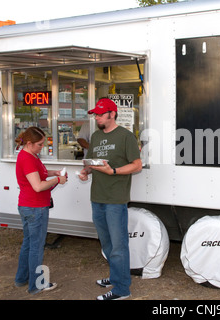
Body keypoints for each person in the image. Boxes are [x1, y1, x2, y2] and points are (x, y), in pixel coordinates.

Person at [78, 98, 141, 300]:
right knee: (107, 243)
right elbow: (94, 162)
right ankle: (115, 276)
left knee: (119, 245)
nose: (96, 117)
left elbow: (137, 165)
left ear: (112, 114)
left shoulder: (126, 136)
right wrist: (86, 171)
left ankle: (122, 289)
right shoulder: (96, 136)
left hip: (115, 199)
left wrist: (113, 171)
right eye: (95, 114)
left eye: (100, 114)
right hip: (97, 197)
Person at [14, 127, 67, 294]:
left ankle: (22, 278)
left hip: (27, 205)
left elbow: (38, 174)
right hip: (35, 207)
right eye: (40, 144)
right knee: (36, 246)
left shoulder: (28, 155)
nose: (42, 147)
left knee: (29, 244)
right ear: (29, 143)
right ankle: (36, 285)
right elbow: (38, 186)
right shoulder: (28, 158)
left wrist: (53, 172)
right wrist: (57, 179)